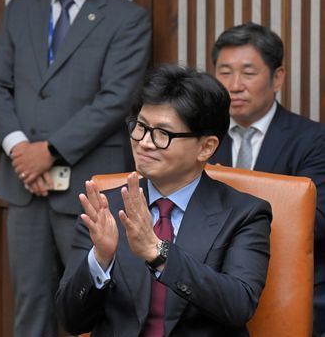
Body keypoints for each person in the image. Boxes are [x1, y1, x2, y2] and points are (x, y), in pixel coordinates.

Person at [0, 0, 151, 334]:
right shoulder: (20, 10)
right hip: (25, 184)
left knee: (95, 302)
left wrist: (50, 151)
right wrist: (20, 151)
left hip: (89, 184)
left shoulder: (128, 18)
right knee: (30, 305)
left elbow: (117, 98)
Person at [56, 65, 272, 336]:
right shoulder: (104, 208)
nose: (145, 142)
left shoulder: (245, 214)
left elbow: (239, 305)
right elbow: (71, 321)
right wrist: (100, 259)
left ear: (206, 147)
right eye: (141, 127)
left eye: (163, 134)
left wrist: (159, 253)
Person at [209, 22, 325, 336]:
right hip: (211, 285)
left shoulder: (313, 140)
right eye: (224, 72)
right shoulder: (201, 140)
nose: (234, 85)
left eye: (248, 73)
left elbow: (313, 222)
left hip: (290, 284)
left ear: (277, 77)